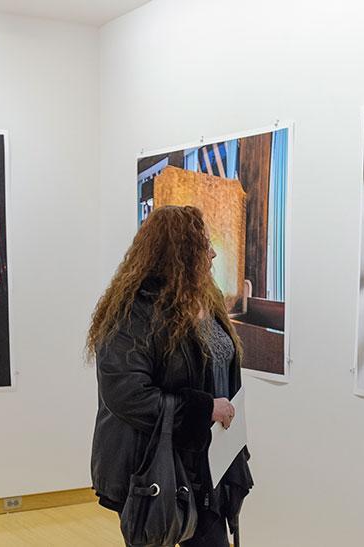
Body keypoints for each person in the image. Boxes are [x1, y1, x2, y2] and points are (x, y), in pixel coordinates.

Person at [88, 205, 253, 546]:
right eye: (203, 245)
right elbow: (128, 394)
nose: (212, 253)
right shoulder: (132, 311)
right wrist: (204, 409)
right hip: (153, 461)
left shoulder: (208, 300)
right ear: (179, 254)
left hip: (206, 460)